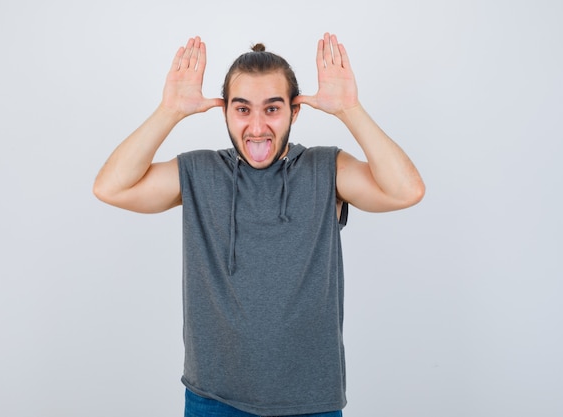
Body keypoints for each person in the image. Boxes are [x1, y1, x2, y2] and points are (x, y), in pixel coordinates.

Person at [94, 33, 424, 417]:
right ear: (226, 113)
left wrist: (350, 110)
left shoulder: (325, 170)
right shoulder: (200, 172)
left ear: (293, 112)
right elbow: (110, 187)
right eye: (243, 109)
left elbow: (406, 191)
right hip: (214, 400)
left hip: (311, 403)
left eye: (272, 109)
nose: (257, 126)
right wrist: (169, 111)